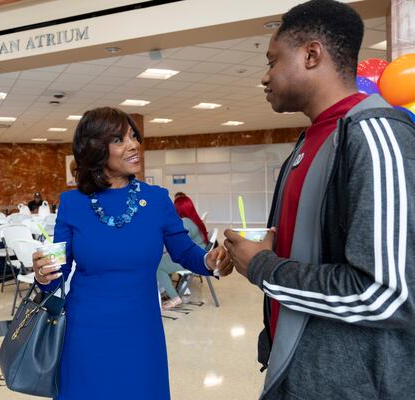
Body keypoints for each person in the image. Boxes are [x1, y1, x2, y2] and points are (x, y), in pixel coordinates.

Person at [223, 1, 415, 399]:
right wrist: (261, 250)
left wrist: (262, 265)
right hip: (297, 369)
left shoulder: (375, 132)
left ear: (312, 54)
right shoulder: (309, 141)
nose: (265, 76)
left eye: (273, 61)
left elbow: (385, 295)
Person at [32, 107, 232, 400]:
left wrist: (209, 260)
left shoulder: (156, 200)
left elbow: (184, 252)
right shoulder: (72, 203)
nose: (133, 144)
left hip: (141, 330)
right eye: (119, 140)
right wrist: (43, 273)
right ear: (96, 150)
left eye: (133, 136)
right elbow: (56, 277)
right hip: (86, 331)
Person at [158, 195, 210, 309]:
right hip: (200, 256)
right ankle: (166, 288)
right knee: (164, 258)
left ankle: (174, 298)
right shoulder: (195, 220)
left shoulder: (185, 222)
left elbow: (180, 244)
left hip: (193, 259)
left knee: (159, 266)